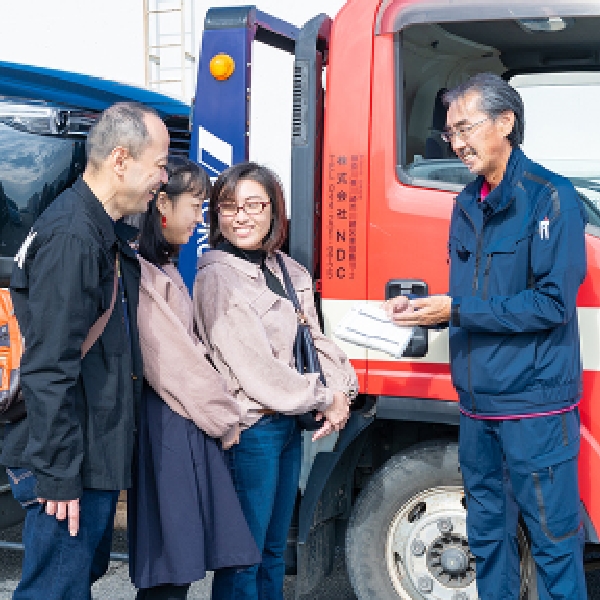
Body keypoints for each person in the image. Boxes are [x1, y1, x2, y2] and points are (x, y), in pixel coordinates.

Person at [386, 73, 588, 599]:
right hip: (478, 407)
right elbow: (472, 297)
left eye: (465, 128)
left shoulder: (551, 198)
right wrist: (427, 311)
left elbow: (551, 303)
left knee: (553, 542)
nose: (456, 143)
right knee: (486, 538)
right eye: (450, 133)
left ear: (506, 123)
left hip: (535, 409)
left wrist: (459, 309)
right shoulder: (466, 203)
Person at [0, 102, 169, 599]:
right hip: (69, 458)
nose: (162, 178)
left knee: (70, 584)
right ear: (121, 159)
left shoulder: (94, 228)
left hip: (87, 448)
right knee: (54, 590)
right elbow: (49, 368)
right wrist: (56, 477)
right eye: (158, 163)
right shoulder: (74, 237)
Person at [193, 162, 357, 600]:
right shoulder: (217, 278)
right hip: (251, 432)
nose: (241, 216)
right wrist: (323, 397)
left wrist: (342, 391)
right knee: (242, 556)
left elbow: (315, 338)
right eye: (228, 207)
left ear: (274, 212)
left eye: (253, 205)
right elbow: (256, 371)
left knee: (271, 553)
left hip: (286, 428)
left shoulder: (287, 269)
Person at [130, 157, 260, 600]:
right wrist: (225, 417)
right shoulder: (144, 269)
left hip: (181, 419)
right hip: (172, 421)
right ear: (162, 204)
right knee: (171, 565)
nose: (199, 220)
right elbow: (173, 362)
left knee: (177, 562)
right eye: (196, 206)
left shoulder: (160, 266)